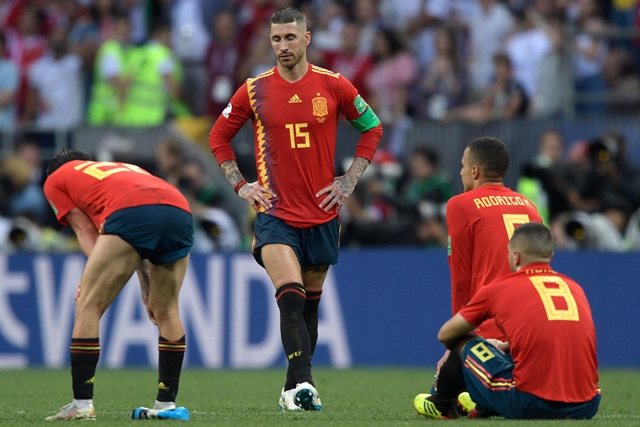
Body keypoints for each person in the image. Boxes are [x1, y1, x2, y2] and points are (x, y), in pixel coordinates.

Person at [208, 6, 383, 411]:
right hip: (276, 214)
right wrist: (241, 185)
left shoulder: (335, 85)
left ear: (306, 39)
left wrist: (349, 180)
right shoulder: (253, 89)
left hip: (322, 215)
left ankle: (291, 389)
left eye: (290, 38)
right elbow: (219, 137)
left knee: (309, 309)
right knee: (290, 297)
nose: (282, 46)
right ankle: (305, 385)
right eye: (275, 39)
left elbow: (372, 127)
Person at [43, 149, 193, 421]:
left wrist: (91, 276)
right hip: (179, 208)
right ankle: (166, 404)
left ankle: (81, 404)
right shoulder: (122, 168)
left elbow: (84, 229)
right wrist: (145, 285)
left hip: (131, 212)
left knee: (88, 304)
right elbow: (139, 240)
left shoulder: (56, 179)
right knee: (167, 310)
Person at [414, 222, 600, 420]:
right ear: (550, 257)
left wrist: (486, 344)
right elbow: (551, 335)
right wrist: (504, 345)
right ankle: (483, 406)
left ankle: (442, 405)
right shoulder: (574, 288)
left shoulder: (500, 288)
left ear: (515, 256)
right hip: (588, 404)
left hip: (533, 404)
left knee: (463, 341)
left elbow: (446, 334)